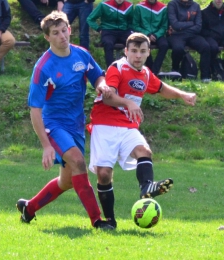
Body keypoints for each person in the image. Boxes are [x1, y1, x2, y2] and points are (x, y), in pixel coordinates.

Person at [16, 11, 114, 230]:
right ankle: (97, 221)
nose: (62, 36)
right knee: (79, 162)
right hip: (54, 125)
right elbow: (35, 110)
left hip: (76, 125)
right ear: (47, 37)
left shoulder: (81, 55)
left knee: (67, 181)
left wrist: (101, 84)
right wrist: (46, 145)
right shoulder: (43, 67)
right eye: (55, 33)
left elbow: (98, 75)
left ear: (69, 29)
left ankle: (29, 208)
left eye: (64, 30)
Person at [88, 32, 196, 228]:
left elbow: (162, 88)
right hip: (104, 124)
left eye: (142, 51)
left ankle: (146, 187)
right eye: (134, 51)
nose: (138, 55)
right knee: (103, 174)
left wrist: (183, 95)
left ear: (148, 53)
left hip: (128, 125)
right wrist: (128, 102)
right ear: (126, 51)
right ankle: (110, 221)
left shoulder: (145, 73)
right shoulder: (117, 68)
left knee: (144, 152)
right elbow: (107, 97)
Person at [167, 0, 211, 83]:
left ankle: (205, 76)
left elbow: (198, 26)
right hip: (176, 35)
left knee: (205, 47)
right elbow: (175, 24)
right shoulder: (172, 4)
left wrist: (183, 28)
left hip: (192, 34)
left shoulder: (196, 6)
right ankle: (175, 71)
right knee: (178, 48)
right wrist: (191, 23)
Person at [87, 0, 133, 67]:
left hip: (124, 31)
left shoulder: (129, 5)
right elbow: (90, 19)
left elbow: (131, 21)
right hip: (108, 30)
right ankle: (111, 69)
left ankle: (130, 68)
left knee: (132, 43)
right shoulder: (104, 4)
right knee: (108, 43)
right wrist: (98, 29)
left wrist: (131, 30)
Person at [133, 0, 169, 75]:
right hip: (144, 33)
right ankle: (150, 69)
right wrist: (147, 34)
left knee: (164, 45)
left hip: (158, 34)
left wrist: (156, 35)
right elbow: (135, 25)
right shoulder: (139, 7)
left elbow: (164, 26)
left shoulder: (163, 8)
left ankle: (154, 71)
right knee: (143, 45)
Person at [201, 0, 224, 80]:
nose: (219, 0)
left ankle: (220, 72)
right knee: (212, 47)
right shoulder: (204, 12)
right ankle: (209, 73)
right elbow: (202, 30)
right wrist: (212, 34)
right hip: (210, 37)